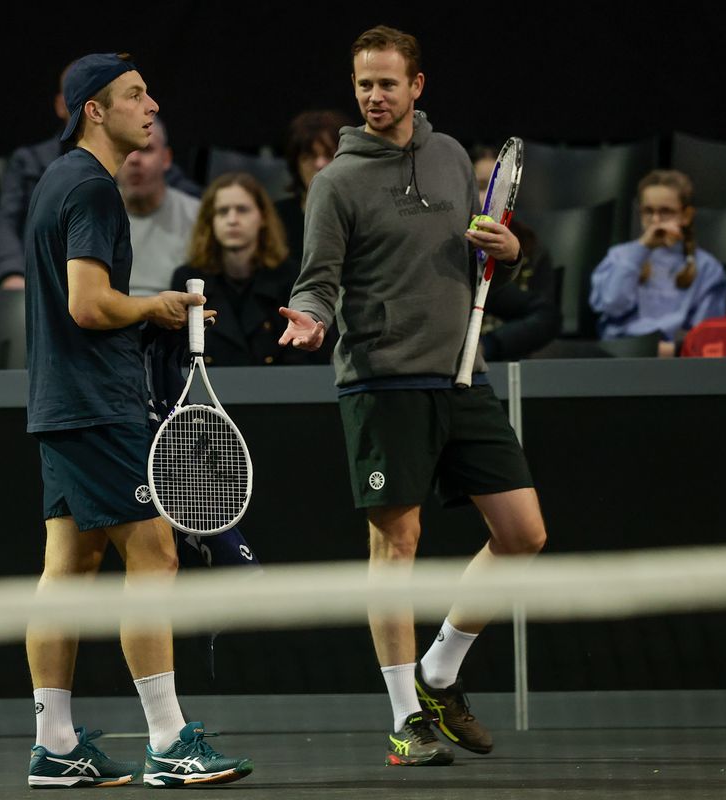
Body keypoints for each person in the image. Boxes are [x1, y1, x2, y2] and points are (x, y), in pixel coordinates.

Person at [279, 24, 546, 766]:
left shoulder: (454, 156)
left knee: (524, 534)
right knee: (396, 546)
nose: (373, 95)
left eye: (387, 82)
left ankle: (438, 671)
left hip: (463, 376)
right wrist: (310, 318)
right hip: (381, 381)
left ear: (416, 86)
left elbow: (481, 246)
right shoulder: (335, 181)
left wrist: (509, 250)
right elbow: (316, 280)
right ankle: (407, 716)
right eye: (363, 83)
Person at [23, 52, 252, 788]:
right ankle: (167, 740)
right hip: (96, 405)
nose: (151, 105)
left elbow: (86, 299)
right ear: (95, 109)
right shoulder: (91, 188)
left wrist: (154, 304)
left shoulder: (57, 180)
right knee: (155, 555)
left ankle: (55, 745)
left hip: (60, 403)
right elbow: (88, 306)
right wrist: (154, 307)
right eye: (134, 95)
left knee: (71, 565)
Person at [0, 64, 201, 290]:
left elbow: (180, 193)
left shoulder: (162, 180)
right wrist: (13, 273)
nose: (95, 111)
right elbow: (6, 225)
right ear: (61, 106)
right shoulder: (35, 164)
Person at [170, 172, 307, 366]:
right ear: (211, 221)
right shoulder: (188, 279)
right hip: (206, 392)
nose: (232, 219)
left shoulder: (291, 277)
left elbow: (303, 358)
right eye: (223, 211)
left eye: (242, 210)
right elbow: (178, 356)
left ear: (263, 217)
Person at [590, 170, 726, 355]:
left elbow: (706, 333)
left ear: (686, 215)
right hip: (621, 353)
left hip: (678, 358)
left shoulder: (707, 267)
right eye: (648, 211)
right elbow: (612, 304)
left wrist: (670, 351)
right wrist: (642, 249)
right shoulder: (620, 256)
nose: (655, 220)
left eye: (666, 212)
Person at [469, 146, 561, 361]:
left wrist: (485, 347)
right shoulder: (450, 244)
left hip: (507, 360)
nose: (491, 197)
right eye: (482, 186)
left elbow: (544, 319)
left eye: (500, 188)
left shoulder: (532, 248)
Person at [118, 119, 199, 296]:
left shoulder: (197, 217)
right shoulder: (90, 213)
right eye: (125, 149)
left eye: (146, 149)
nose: (134, 159)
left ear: (166, 158)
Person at [275, 110, 351, 262]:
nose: (320, 164)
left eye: (329, 154)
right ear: (296, 164)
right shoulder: (276, 218)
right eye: (309, 156)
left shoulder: (366, 214)